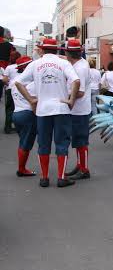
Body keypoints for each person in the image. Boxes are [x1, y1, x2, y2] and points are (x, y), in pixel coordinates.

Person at [14, 37, 80, 188]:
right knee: (61, 143)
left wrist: (31, 100)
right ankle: (61, 177)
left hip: (43, 110)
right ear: (57, 50)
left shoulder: (35, 64)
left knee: (43, 143)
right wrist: (71, 101)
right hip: (61, 108)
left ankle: (44, 178)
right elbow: (76, 81)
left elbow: (18, 82)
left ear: (42, 50)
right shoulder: (64, 63)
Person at [63, 40, 92, 181]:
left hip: (79, 110)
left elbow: (79, 93)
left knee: (80, 141)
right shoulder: (79, 63)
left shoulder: (80, 68)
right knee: (78, 141)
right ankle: (80, 165)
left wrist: (62, 98)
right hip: (78, 109)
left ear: (68, 53)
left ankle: (84, 169)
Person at [11, 56, 38, 177]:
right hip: (28, 114)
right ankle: (21, 169)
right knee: (26, 144)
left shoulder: (15, 81)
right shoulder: (31, 84)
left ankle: (21, 167)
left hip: (16, 113)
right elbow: (35, 101)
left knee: (22, 141)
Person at [2, 49, 21, 133]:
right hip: (21, 89)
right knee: (19, 108)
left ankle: (7, 127)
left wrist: (8, 83)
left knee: (9, 109)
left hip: (10, 89)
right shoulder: (21, 66)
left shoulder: (9, 67)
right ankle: (18, 126)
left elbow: (4, 79)